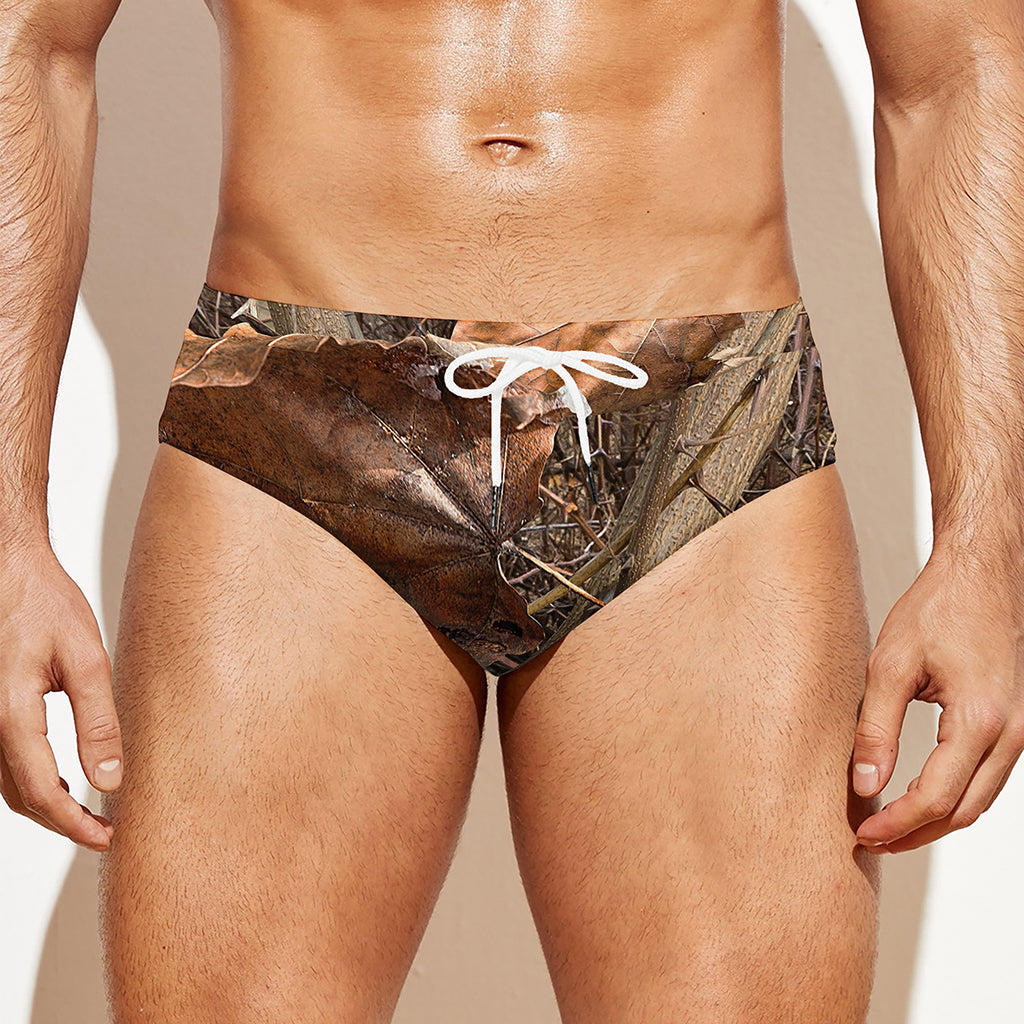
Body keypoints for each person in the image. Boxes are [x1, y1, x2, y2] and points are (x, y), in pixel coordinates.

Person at [1, 0, 1022, 1019]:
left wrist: (984, 551)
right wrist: (8, 538)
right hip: (301, 400)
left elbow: (954, 67)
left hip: (698, 409)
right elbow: (32, 44)